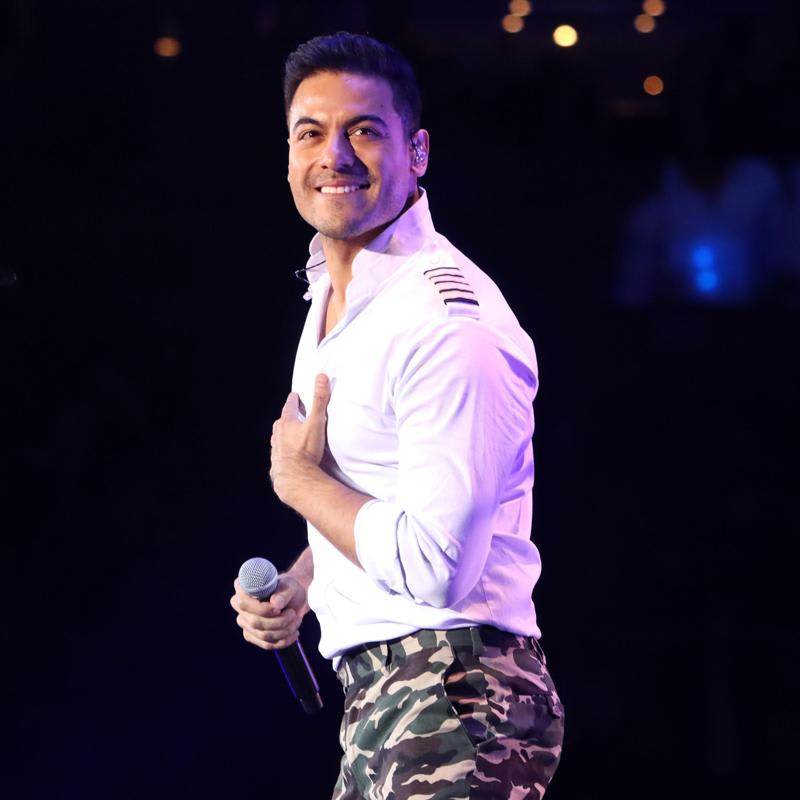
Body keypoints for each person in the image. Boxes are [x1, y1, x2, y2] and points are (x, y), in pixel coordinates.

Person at [230, 31, 564, 800]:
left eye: (364, 131)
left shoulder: (446, 321)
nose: (334, 155)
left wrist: (299, 483)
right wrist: (310, 576)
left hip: (457, 689)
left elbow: (440, 566)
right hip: (395, 697)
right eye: (310, 132)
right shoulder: (333, 293)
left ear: (417, 152)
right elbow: (392, 495)